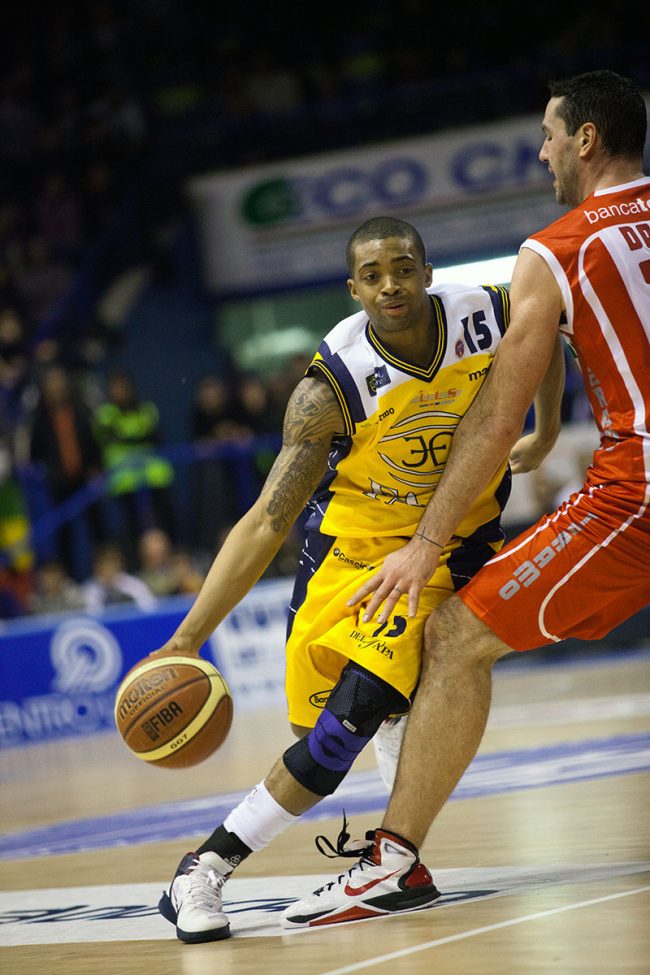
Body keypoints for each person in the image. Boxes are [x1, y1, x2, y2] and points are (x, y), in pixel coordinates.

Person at [283, 69, 650, 928]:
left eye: (552, 136)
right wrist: (555, 426)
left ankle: (392, 862)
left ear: (586, 140)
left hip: (636, 492)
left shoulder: (555, 249)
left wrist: (425, 541)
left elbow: (491, 419)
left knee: (452, 635)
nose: (543, 150)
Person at [152, 214, 565, 943]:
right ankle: (387, 750)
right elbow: (264, 521)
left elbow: (549, 339)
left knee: (347, 725)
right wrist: (186, 635)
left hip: (447, 554)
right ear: (352, 289)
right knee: (318, 750)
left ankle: (206, 866)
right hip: (348, 561)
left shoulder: (490, 310)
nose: (391, 285)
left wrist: (548, 428)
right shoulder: (331, 384)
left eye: (403, 267)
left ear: (428, 271)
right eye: (372, 276)